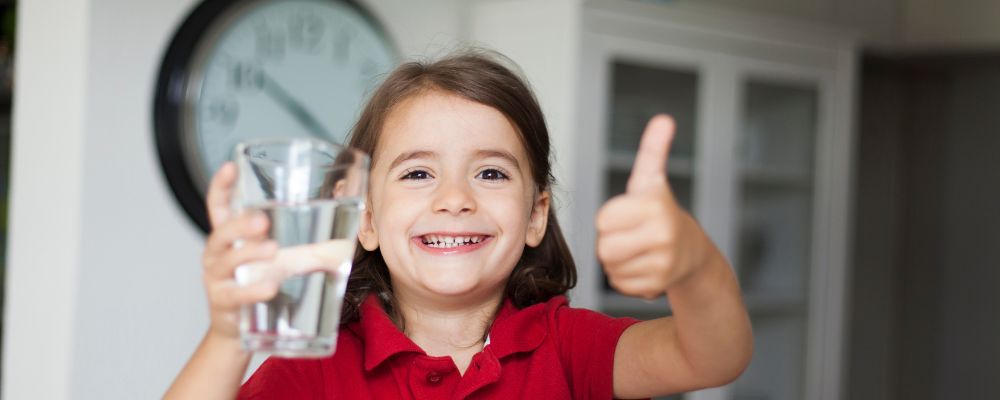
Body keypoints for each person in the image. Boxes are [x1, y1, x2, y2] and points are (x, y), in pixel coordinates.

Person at [165, 50, 752, 399]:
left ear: (535, 216)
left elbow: (713, 356)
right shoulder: (311, 372)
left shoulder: (570, 350)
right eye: (418, 175)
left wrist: (694, 263)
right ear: (365, 220)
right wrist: (229, 335)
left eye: (491, 174)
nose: (454, 199)